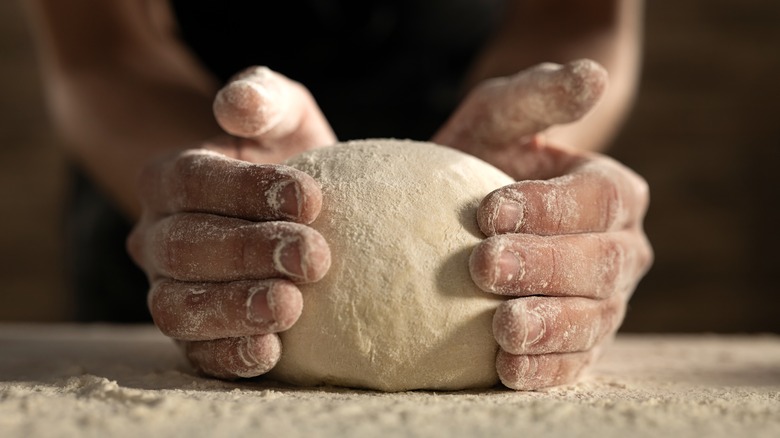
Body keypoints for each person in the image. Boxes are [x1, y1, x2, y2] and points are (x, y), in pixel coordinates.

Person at [25, 0, 652, 390]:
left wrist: (524, 151)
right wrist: (210, 183)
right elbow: (101, 49)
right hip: (208, 226)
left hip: (477, 193)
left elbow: (576, 16)